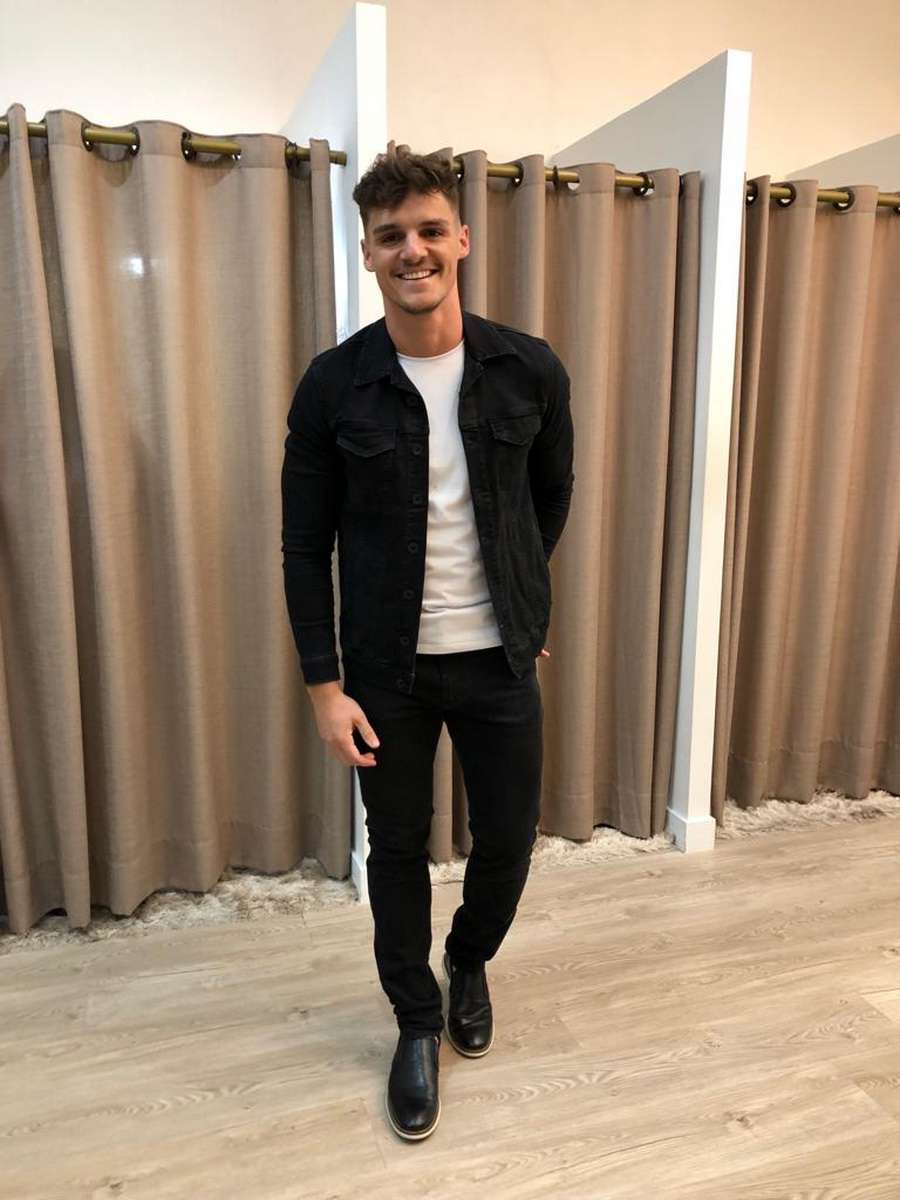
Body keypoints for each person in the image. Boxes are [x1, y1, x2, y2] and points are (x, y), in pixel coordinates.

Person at [281, 145, 574, 1141]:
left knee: (509, 838)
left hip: (498, 662)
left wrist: (522, 606)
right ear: (367, 253)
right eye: (391, 236)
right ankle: (415, 1021)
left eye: (430, 230)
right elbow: (303, 544)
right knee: (397, 848)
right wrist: (324, 687)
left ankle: (469, 960)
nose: (414, 250)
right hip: (384, 675)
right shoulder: (334, 386)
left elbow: (550, 497)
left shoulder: (529, 367)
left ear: (462, 239)